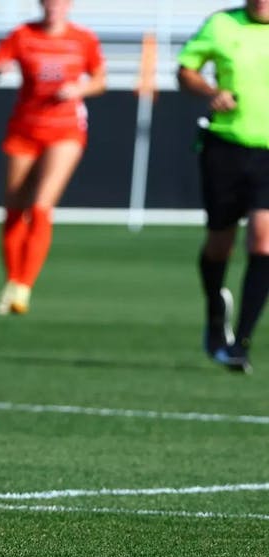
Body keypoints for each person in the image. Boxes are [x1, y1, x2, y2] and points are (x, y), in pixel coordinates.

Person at [0, 0, 106, 315]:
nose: (54, 6)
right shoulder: (22, 35)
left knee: (40, 206)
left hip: (65, 132)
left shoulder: (84, 39)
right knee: (14, 208)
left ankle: (23, 287)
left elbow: (100, 81)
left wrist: (79, 90)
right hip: (24, 131)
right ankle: (11, 283)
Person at [178, 0, 269, 374]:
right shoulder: (221, 24)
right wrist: (210, 90)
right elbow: (186, 71)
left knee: (263, 240)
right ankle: (216, 314)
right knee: (220, 244)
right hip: (225, 148)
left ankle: (241, 342)